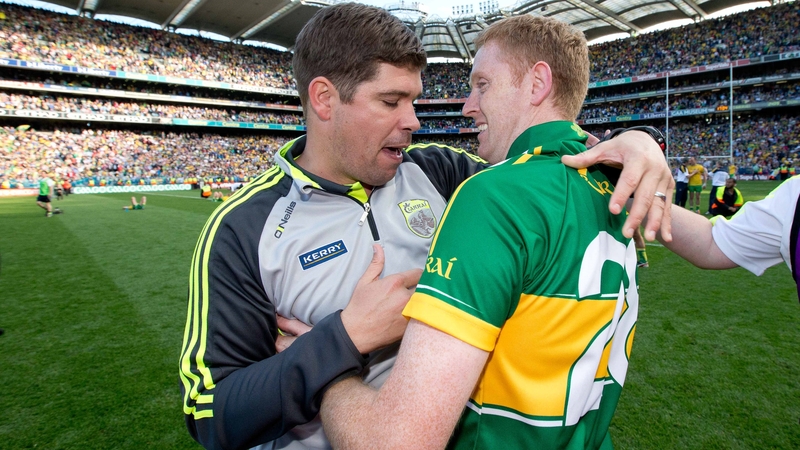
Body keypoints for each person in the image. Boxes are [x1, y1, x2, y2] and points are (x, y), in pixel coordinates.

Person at [178, 4, 672, 450]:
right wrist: (345, 338)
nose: (414, 120)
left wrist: (635, 143)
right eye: (391, 102)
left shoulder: (439, 172)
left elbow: (545, 177)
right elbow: (210, 415)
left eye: (414, 100)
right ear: (325, 100)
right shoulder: (243, 229)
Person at [318, 15, 638, 450]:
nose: (468, 105)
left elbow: (394, 443)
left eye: (482, 84)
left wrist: (327, 376)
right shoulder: (619, 187)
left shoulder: (494, 194)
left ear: (537, 83)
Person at [657, 175, 800, 300]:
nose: (727, 184)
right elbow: (712, 244)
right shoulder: (794, 194)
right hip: (719, 210)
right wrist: (640, 192)